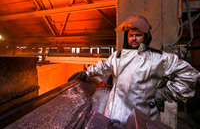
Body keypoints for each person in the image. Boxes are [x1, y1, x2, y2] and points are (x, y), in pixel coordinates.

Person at [68, 15, 200, 126]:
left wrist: (165, 93)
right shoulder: (118, 56)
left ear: (146, 37)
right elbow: (104, 66)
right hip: (112, 115)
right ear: (127, 36)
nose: (134, 39)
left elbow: (190, 75)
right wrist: (87, 73)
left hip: (139, 119)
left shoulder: (157, 58)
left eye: (138, 35)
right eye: (131, 35)